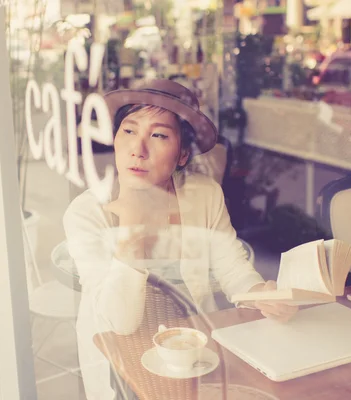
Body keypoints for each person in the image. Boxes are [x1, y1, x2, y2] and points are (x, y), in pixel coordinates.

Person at [63, 79, 297, 400]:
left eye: (158, 135)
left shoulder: (203, 194)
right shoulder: (87, 213)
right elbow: (120, 323)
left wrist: (260, 294)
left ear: (183, 154)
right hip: (119, 362)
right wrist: (133, 221)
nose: (138, 149)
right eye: (129, 131)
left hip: (194, 354)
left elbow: (233, 269)